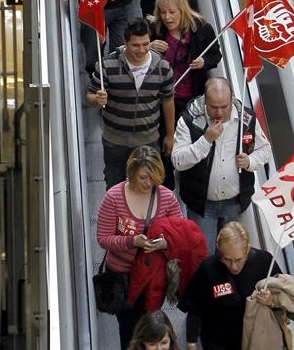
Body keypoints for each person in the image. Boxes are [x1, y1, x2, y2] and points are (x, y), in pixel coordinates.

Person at [171, 78, 271, 254]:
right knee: (204, 255)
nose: (219, 112)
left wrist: (250, 162)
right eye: (213, 107)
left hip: (235, 203)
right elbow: (178, 160)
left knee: (230, 254)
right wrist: (205, 140)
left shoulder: (246, 119)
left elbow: (265, 150)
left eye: (224, 107)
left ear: (231, 99)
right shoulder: (189, 120)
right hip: (202, 205)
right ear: (204, 101)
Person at [96, 147, 182, 350]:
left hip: (154, 276)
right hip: (122, 275)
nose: (148, 183)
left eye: (153, 177)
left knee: (151, 326)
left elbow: (180, 234)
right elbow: (103, 238)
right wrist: (132, 241)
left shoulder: (167, 197)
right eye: (143, 177)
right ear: (131, 172)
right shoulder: (114, 197)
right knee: (127, 328)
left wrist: (164, 243)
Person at [87, 22, 175, 187]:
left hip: (149, 140)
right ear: (125, 43)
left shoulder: (163, 67)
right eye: (135, 45)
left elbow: (168, 100)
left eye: (145, 44)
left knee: (150, 184)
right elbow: (90, 96)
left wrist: (170, 135)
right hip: (115, 141)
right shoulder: (107, 65)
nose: (141, 50)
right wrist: (96, 100)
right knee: (114, 184)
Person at [150, 0, 221, 188]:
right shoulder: (154, 30)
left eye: (172, 12)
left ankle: (190, 180)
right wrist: (149, 46)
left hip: (192, 98)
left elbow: (216, 55)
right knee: (165, 140)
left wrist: (203, 62)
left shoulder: (202, 28)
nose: (167, 17)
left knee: (191, 139)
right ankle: (167, 184)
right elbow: (133, 49)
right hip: (163, 98)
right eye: (163, 12)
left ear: (182, 11)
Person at [179, 223, 282, 350]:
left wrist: (271, 301)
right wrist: (191, 342)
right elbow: (195, 308)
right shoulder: (208, 268)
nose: (233, 266)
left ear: (247, 249)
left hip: (254, 338)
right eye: (227, 260)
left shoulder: (264, 262)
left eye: (238, 260)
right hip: (216, 340)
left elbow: (283, 298)